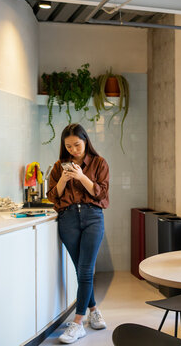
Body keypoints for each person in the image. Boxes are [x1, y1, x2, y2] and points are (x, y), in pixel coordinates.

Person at [47, 123, 109, 344]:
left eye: (77, 145)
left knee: (86, 270)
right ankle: (93, 310)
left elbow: (100, 193)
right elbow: (54, 197)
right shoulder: (57, 167)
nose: (73, 150)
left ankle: (77, 323)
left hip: (93, 217)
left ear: (86, 141)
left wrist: (82, 176)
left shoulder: (99, 163)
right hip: (68, 219)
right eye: (68, 146)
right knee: (81, 270)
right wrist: (64, 178)